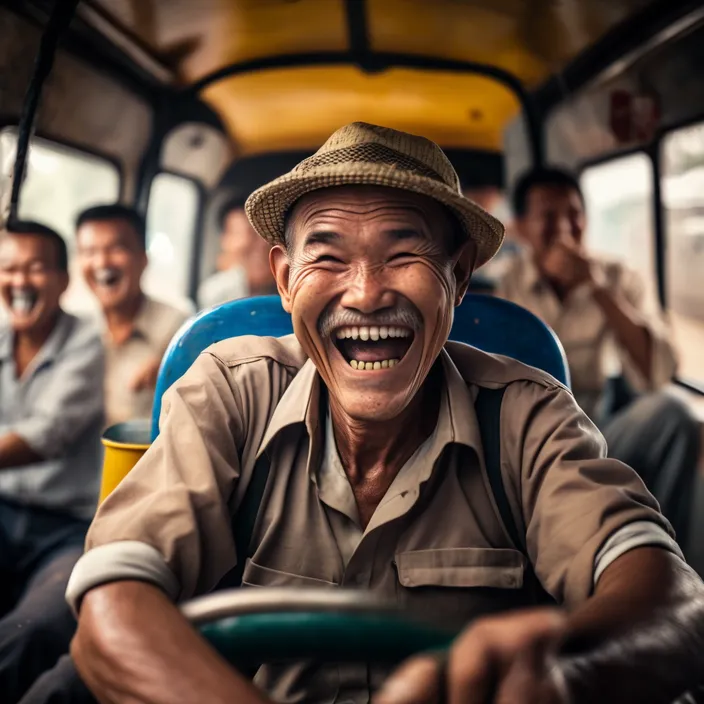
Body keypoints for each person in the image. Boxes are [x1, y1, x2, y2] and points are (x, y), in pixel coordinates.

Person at [24, 123, 704, 704]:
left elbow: (674, 601)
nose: (367, 293)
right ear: (286, 280)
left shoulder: (527, 415)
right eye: (328, 257)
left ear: (459, 276)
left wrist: (568, 669)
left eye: (403, 253)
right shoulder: (230, 390)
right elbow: (114, 601)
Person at [495, 167, 700, 543]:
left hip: (600, 433)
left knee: (676, 413)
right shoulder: (505, 287)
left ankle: (666, 553)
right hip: (526, 445)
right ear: (522, 227)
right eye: (548, 217)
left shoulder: (616, 277)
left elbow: (658, 373)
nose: (564, 229)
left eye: (574, 214)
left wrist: (598, 289)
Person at [0, 222, 104, 703]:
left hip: (67, 527)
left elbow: (47, 436)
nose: (20, 281)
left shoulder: (87, 342)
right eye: (8, 268)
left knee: (34, 629)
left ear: (64, 280)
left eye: (35, 268)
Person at [75, 205, 190, 428]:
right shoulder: (74, 329)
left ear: (143, 258)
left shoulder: (180, 330)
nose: (101, 263)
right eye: (89, 252)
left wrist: (176, 373)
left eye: (116, 248)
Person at [197, 196, 277, 310]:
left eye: (265, 233)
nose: (263, 243)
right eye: (249, 233)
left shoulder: (289, 290)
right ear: (225, 241)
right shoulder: (218, 293)